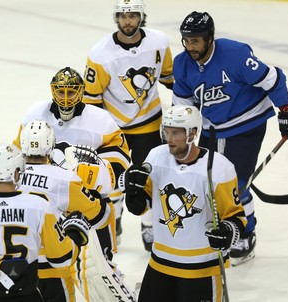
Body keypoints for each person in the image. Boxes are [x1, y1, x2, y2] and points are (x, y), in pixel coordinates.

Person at [172, 11, 288, 265]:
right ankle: (219, 225)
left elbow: (273, 78)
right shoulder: (182, 64)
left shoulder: (235, 55)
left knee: (236, 185)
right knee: (207, 181)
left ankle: (246, 232)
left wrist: (286, 112)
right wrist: (182, 135)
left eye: (196, 41)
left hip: (246, 123)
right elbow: (183, 105)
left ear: (210, 38)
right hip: (211, 128)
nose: (191, 47)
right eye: (187, 41)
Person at [12, 67, 131, 301]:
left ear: (81, 92)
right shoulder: (35, 113)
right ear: (52, 91)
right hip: (49, 208)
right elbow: (19, 152)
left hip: (85, 203)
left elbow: (121, 160)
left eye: (71, 92)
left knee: (96, 270)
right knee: (47, 266)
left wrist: (91, 172)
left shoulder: (100, 119)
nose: (66, 98)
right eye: (61, 92)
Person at [118, 105, 247, 302]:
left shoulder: (219, 168)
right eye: (167, 131)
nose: (169, 138)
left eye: (176, 132)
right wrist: (133, 195)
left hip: (201, 268)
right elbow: (143, 205)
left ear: (192, 133)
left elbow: (235, 217)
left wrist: (228, 233)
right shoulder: (156, 156)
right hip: (160, 262)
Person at [0, 143, 90, 302]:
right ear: (15, 172)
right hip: (25, 296)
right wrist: (74, 234)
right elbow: (61, 259)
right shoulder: (39, 207)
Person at [83, 0, 174, 252]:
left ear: (141, 17)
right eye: (123, 16)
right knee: (112, 180)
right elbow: (91, 101)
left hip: (149, 123)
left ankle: (148, 224)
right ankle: (115, 220)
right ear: (116, 18)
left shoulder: (159, 41)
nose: (128, 21)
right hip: (115, 130)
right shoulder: (100, 53)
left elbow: (171, 79)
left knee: (150, 177)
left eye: (133, 15)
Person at [19, 119, 114, 302]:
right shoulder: (65, 179)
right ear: (51, 145)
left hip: (16, 267)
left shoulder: (9, 178)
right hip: (53, 264)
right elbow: (100, 217)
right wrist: (95, 190)